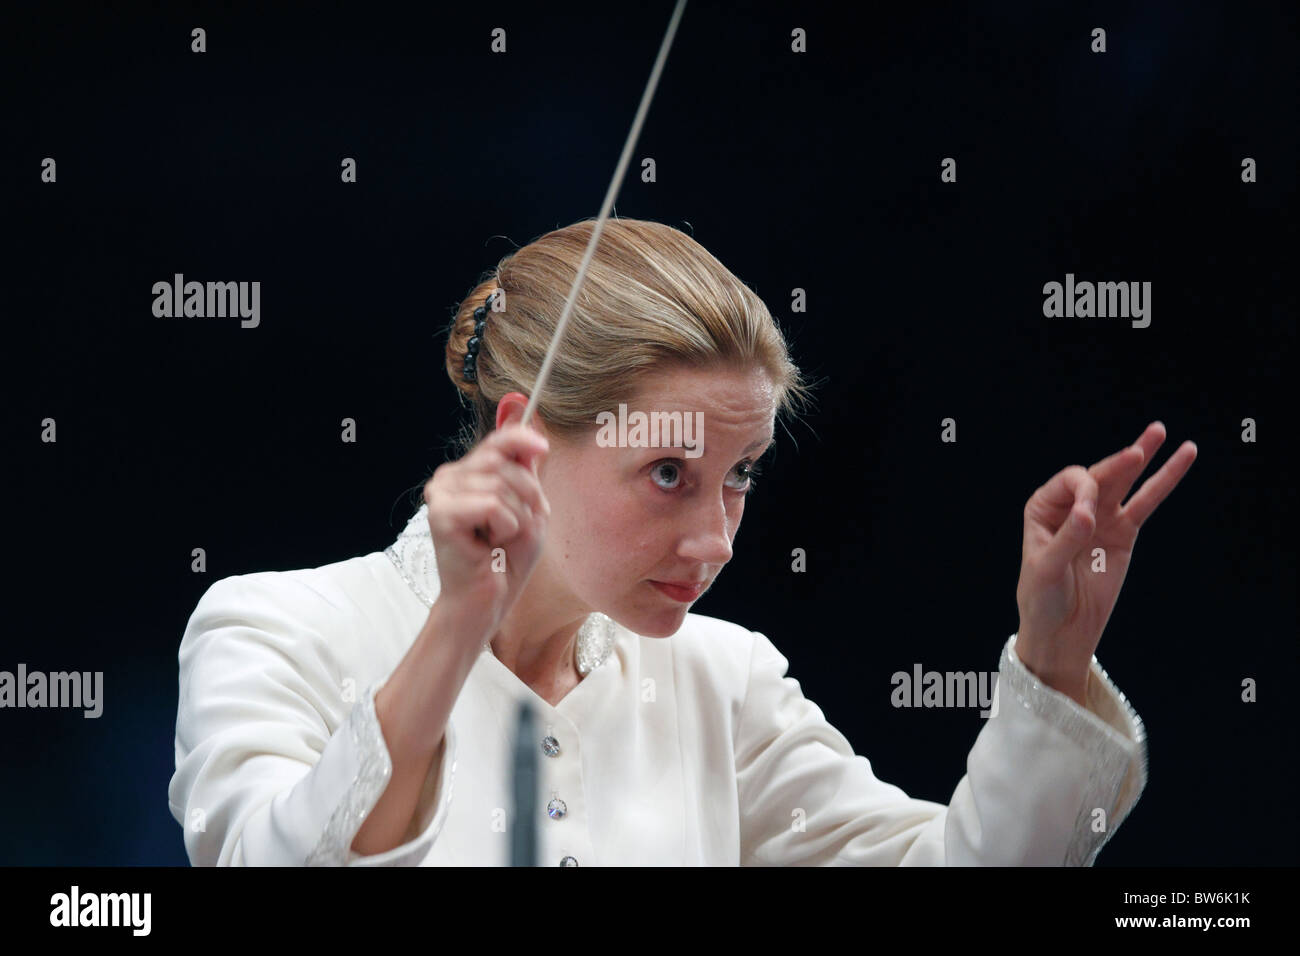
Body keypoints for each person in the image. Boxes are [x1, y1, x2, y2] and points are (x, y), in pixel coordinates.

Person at [167, 217, 1195, 866]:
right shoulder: (274, 625)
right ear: (518, 439)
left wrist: (1053, 665)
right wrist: (452, 630)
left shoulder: (722, 677)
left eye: (738, 474)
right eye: (668, 473)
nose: (715, 538)